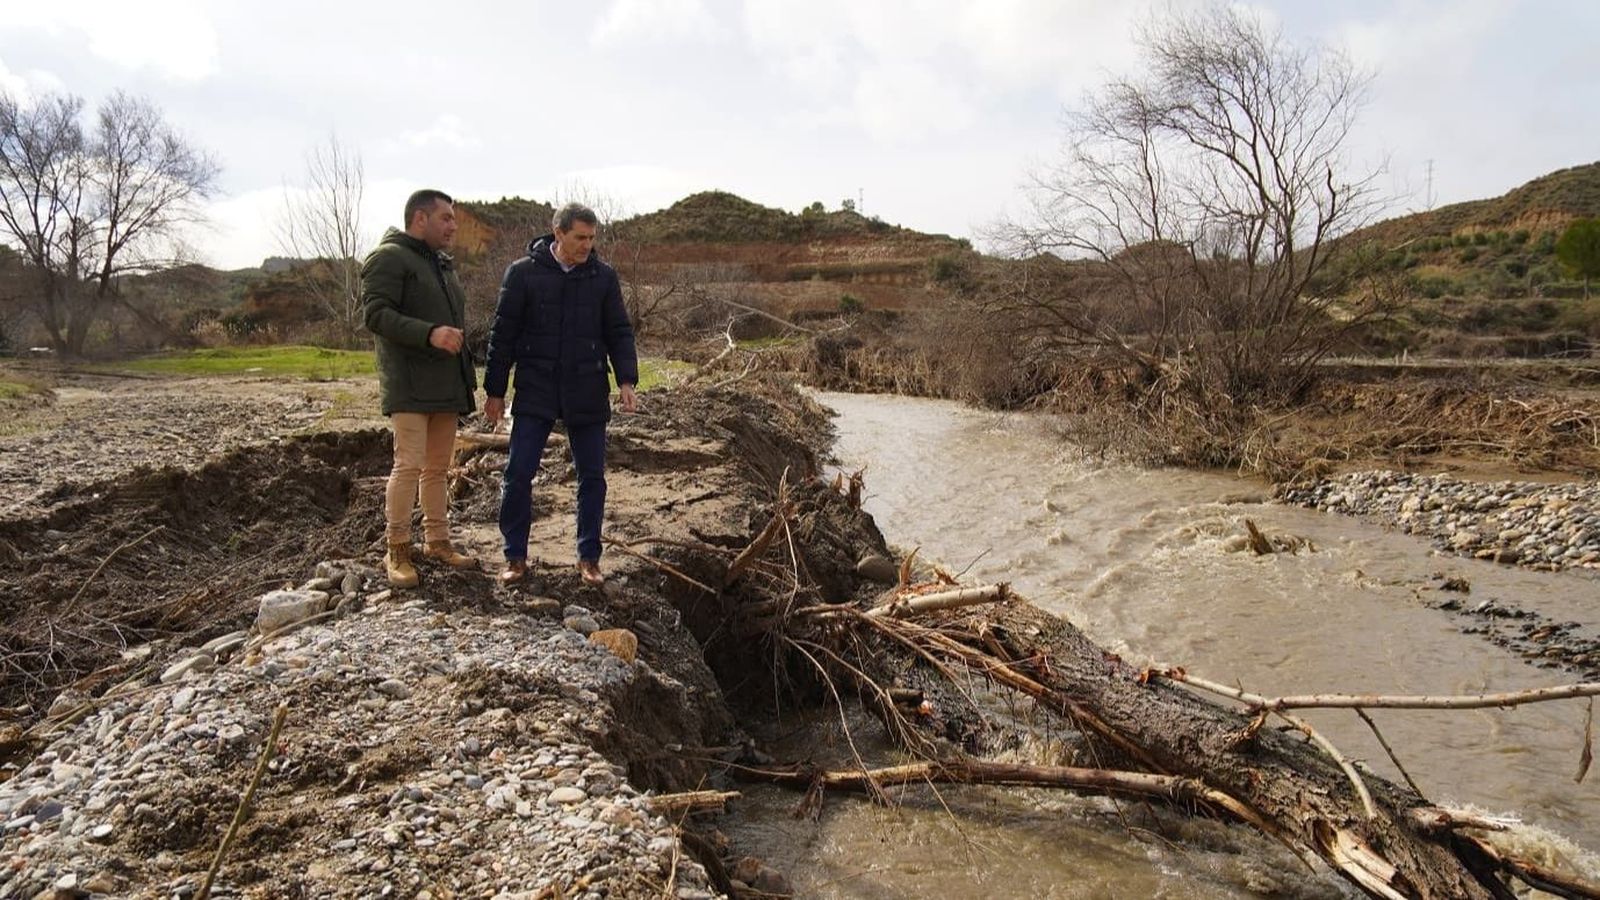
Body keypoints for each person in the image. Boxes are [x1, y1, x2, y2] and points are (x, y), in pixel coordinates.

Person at [483, 202, 638, 587]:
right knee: (519, 473)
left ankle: (589, 558)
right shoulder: (522, 274)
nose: (587, 245)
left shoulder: (603, 277)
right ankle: (515, 557)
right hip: (536, 385)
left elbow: (619, 330)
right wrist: (495, 391)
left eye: (591, 238)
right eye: (580, 238)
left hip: (586, 385)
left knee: (592, 477)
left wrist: (626, 381)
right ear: (559, 234)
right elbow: (502, 336)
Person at [361, 188, 479, 588]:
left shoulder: (441, 265)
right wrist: (430, 334)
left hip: (445, 384)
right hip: (409, 384)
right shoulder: (389, 258)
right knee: (408, 464)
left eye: (453, 218)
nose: (453, 225)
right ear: (420, 219)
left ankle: (437, 541)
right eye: (445, 217)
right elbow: (375, 315)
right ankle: (397, 549)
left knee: (438, 468)